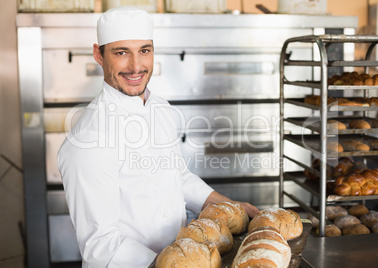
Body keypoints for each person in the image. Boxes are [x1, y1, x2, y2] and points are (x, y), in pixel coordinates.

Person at [58, 6, 259, 268]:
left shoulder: (160, 108)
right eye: (121, 53)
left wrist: (231, 206)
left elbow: (177, 175)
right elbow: (101, 244)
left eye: (144, 50)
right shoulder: (88, 139)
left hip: (181, 255)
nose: (136, 66)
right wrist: (174, 263)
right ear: (99, 54)